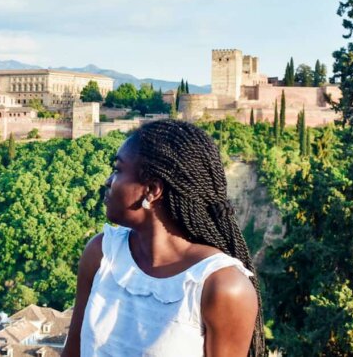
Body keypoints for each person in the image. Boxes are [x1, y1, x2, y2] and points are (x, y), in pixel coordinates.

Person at [62, 119, 264, 357]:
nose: (108, 181)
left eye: (117, 170)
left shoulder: (221, 286)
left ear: (152, 190)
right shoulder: (102, 253)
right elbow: (72, 352)